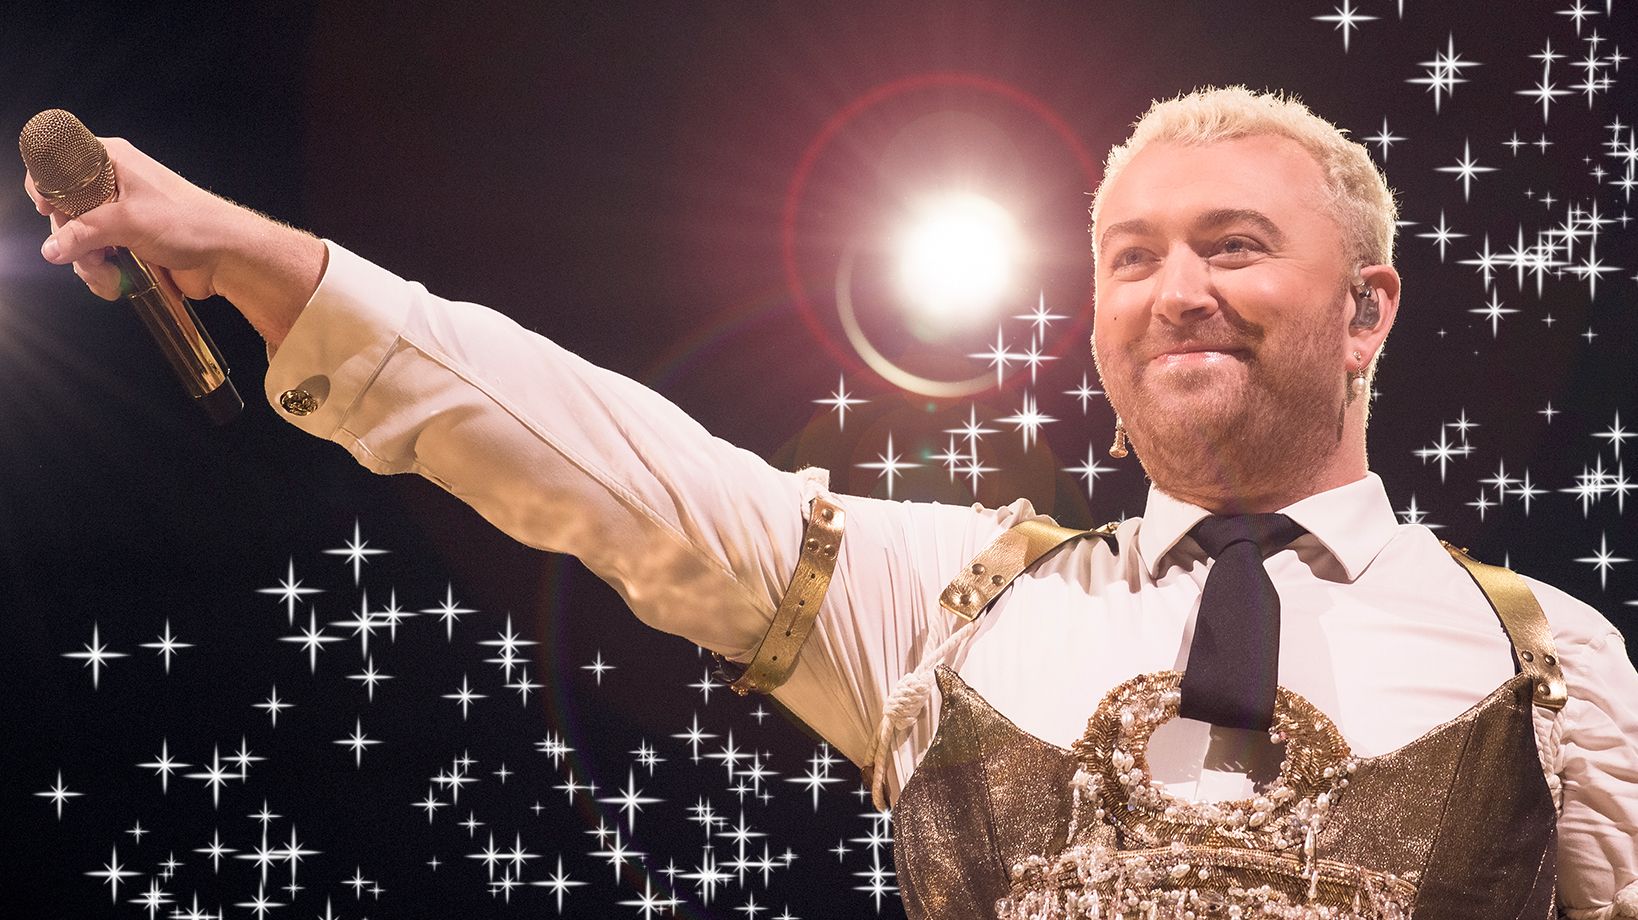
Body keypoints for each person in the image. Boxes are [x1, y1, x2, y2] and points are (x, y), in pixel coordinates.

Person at [27, 86, 1637, 919]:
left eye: (1232, 246)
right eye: (1132, 257)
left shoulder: (1547, 662)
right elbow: (608, 465)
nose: (1176, 291)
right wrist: (261, 257)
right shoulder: (955, 602)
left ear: (1366, 310)